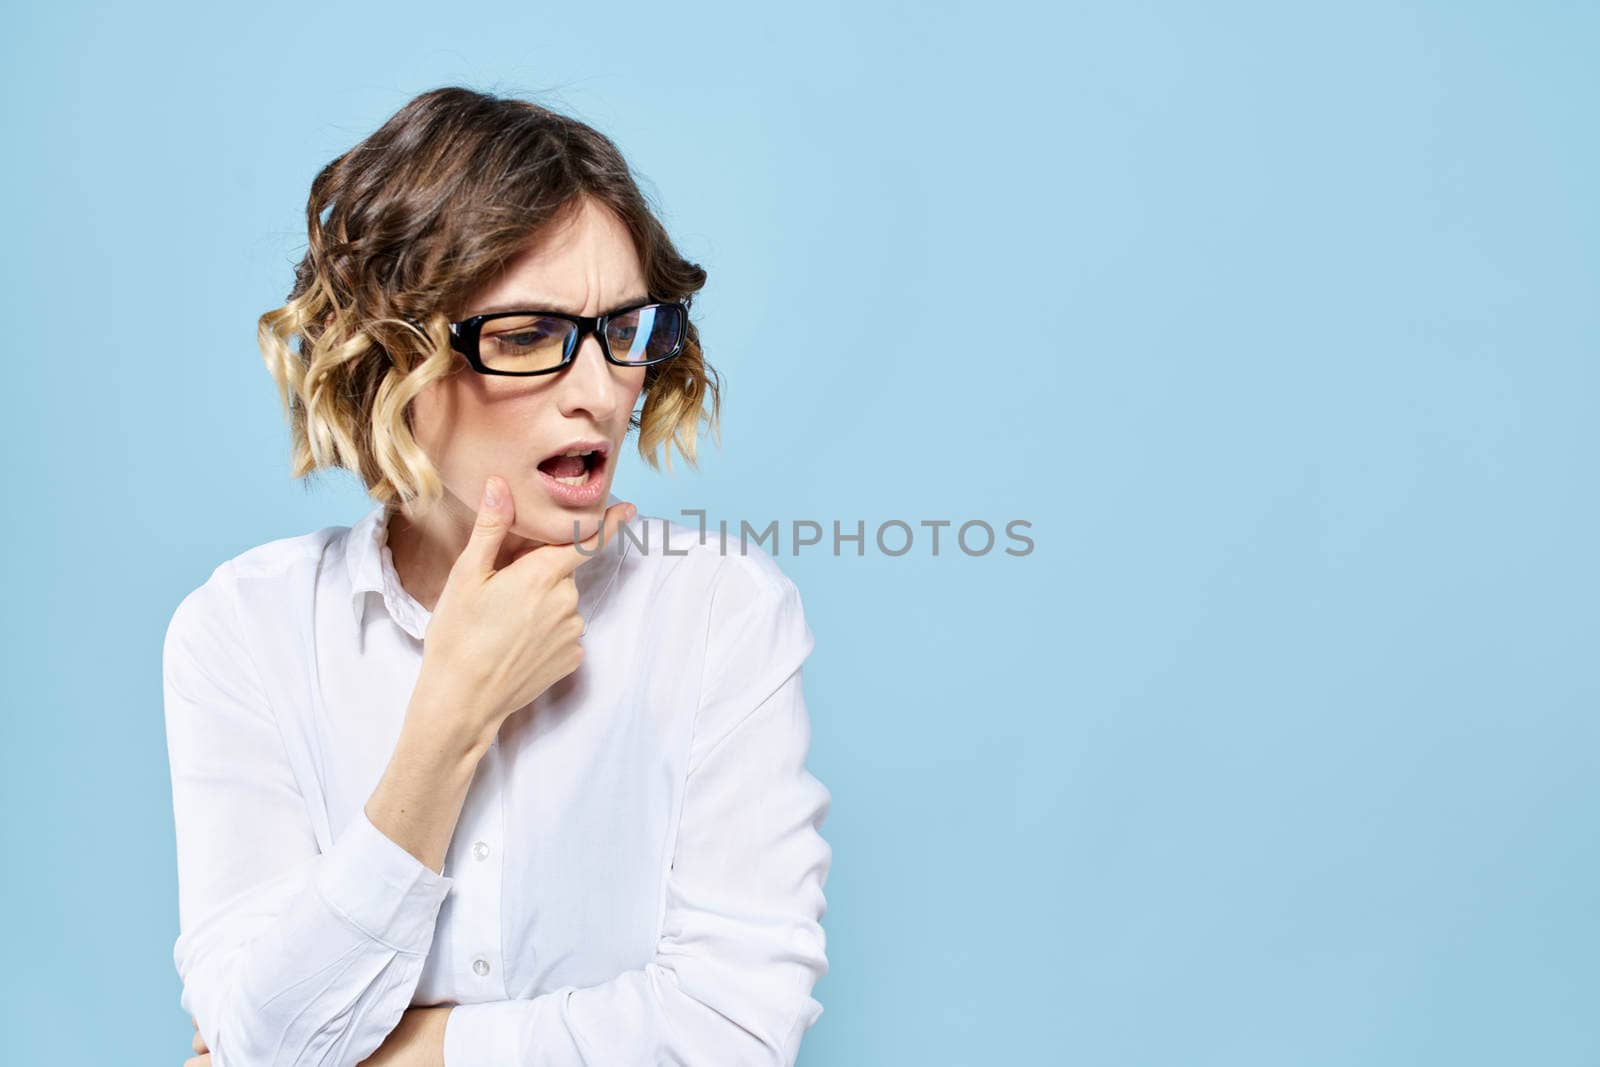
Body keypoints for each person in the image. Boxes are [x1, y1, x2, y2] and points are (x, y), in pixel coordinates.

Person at [163, 86, 832, 1067]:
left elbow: (731, 1029)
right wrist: (451, 719)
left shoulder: (718, 609)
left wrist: (401, 1051)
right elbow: (267, 1038)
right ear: (387, 361)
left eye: (626, 331)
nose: (601, 393)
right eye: (525, 337)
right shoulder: (245, 627)